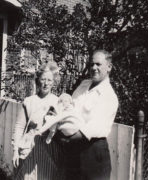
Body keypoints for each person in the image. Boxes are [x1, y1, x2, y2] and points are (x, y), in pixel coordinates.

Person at [57, 50, 119, 180]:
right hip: (74, 150)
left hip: (93, 153)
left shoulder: (108, 96)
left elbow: (92, 128)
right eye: (91, 64)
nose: (94, 68)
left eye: (98, 64)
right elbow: (70, 110)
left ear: (109, 67)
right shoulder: (83, 85)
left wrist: (65, 139)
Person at [12, 61, 65, 180]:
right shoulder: (29, 101)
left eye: (49, 80)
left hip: (49, 152)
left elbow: (62, 131)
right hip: (28, 150)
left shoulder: (58, 103)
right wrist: (15, 151)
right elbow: (19, 127)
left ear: (54, 82)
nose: (46, 84)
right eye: (43, 79)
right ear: (38, 80)